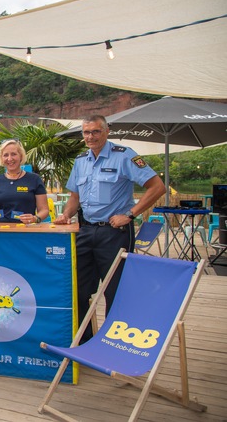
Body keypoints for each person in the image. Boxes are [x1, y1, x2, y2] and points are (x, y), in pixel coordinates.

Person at [54, 114, 165, 343]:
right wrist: (66, 215)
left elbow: (157, 187)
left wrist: (130, 214)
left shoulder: (124, 156)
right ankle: (85, 342)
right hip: (85, 232)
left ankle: (114, 345)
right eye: (86, 132)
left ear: (106, 132)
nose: (90, 136)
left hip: (114, 234)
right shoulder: (81, 161)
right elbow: (75, 196)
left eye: (95, 131)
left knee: (116, 291)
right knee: (78, 290)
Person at [0, 139, 50, 225]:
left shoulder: (34, 179)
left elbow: (44, 210)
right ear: (1, 158)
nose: (10, 159)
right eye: (6, 155)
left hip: (26, 231)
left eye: (13, 154)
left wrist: (35, 218)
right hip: (0, 231)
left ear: (21, 156)